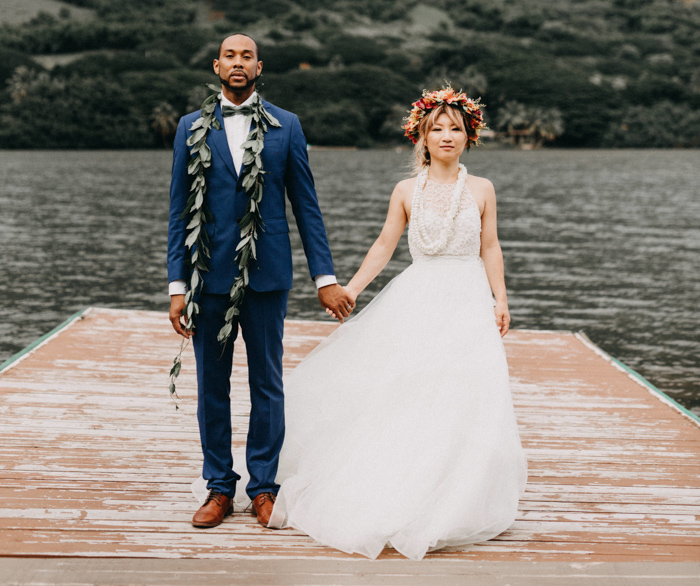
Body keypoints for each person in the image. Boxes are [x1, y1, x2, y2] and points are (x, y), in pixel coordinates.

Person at [268, 87, 527, 559]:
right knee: (411, 389)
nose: (447, 136)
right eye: (437, 129)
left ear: (469, 135)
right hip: (419, 295)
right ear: (421, 138)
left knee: (464, 392)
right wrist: (352, 287)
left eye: (455, 128)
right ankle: (402, 484)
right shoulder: (407, 191)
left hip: (467, 299)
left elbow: (491, 246)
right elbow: (385, 245)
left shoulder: (483, 189)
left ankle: (456, 498)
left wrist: (500, 298)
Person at [167, 33, 354, 529]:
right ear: (216, 65)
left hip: (267, 276)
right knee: (212, 385)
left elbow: (306, 209)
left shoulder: (286, 127)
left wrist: (325, 278)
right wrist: (176, 285)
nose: (238, 63)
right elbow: (177, 211)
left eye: (246, 56)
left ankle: (264, 487)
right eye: (230, 55)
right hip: (207, 280)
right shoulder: (190, 127)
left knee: (267, 384)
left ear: (258, 66)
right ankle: (218, 488)